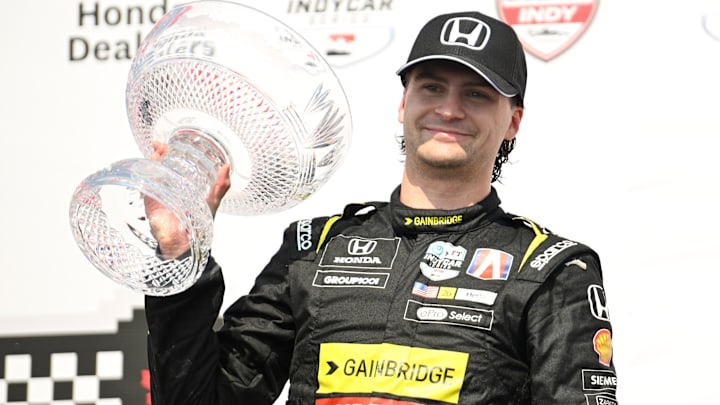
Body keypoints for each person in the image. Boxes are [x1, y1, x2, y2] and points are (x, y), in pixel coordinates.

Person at [144, 10, 619, 405]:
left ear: (512, 121)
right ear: (404, 102)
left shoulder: (552, 268)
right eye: (432, 87)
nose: (449, 109)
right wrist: (181, 255)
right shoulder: (315, 245)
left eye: (475, 94)